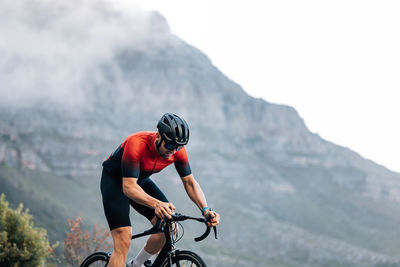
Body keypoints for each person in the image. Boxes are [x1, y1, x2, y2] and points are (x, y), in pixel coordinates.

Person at [100, 113, 220, 267]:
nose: (173, 150)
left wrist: (205, 210)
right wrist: (156, 204)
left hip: (140, 180)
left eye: (178, 147)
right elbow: (128, 187)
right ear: (158, 136)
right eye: (170, 145)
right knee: (123, 238)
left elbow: (190, 182)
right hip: (115, 182)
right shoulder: (136, 143)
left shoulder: (177, 151)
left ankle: (136, 264)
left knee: (169, 227)